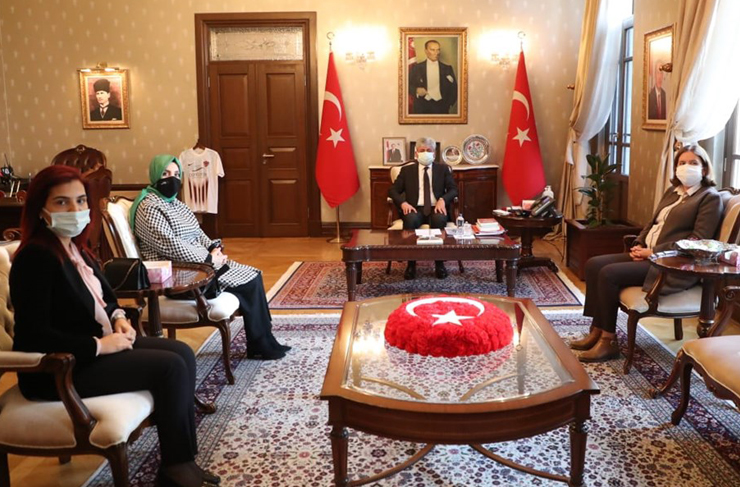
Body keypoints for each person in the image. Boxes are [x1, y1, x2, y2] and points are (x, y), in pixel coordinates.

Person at [10, 165, 219, 487]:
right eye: (62, 202)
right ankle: (176, 469)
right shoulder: (35, 258)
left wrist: (119, 318)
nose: (75, 209)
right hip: (61, 369)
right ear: (41, 209)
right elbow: (33, 335)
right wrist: (99, 346)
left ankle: (182, 459)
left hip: (94, 347)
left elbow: (104, 299)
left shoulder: (74, 247)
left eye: (81, 201)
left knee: (182, 353)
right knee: (170, 368)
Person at [572, 145, 722, 362]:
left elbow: (696, 241)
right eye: (682, 163)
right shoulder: (673, 192)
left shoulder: (709, 198)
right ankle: (596, 330)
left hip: (670, 263)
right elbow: (652, 223)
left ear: (704, 169)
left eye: (693, 163)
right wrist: (639, 243)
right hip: (648, 254)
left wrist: (652, 251)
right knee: (593, 264)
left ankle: (608, 341)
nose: (686, 167)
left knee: (608, 274)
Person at [131, 154, 289, 360]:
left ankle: (264, 339)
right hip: (181, 273)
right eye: (165, 174)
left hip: (199, 264)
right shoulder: (148, 207)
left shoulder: (175, 203)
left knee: (254, 274)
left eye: (176, 174)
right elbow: (170, 245)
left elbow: (197, 232)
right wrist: (209, 259)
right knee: (249, 283)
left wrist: (214, 248)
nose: (172, 179)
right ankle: (260, 344)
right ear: (155, 176)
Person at [388, 137, 458, 280]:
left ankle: (439, 264)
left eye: (429, 150)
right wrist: (403, 203)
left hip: (435, 208)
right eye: (422, 150)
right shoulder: (406, 171)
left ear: (434, 153)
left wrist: (443, 200)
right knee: (410, 219)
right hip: (415, 208)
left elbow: (453, 189)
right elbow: (393, 191)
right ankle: (411, 264)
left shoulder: (443, 169)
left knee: (439, 219)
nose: (425, 153)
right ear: (416, 153)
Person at [408, 40, 458, 115]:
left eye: (438, 50)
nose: (436, 53)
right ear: (426, 51)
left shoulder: (447, 68)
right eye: (432, 50)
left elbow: (454, 88)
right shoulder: (417, 68)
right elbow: (406, 85)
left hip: (441, 108)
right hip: (421, 107)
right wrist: (416, 90)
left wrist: (448, 104)